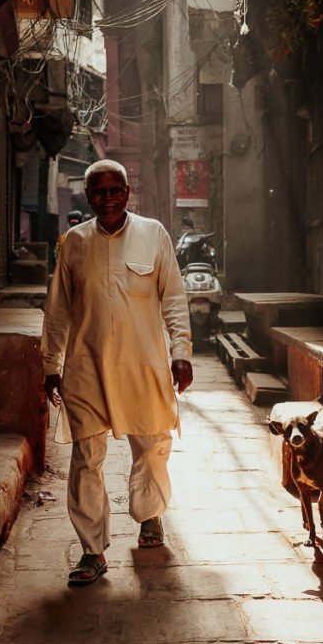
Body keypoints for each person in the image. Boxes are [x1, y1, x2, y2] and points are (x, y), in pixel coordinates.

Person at [41, 159, 193, 586]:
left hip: (143, 364)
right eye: (99, 192)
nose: (108, 200)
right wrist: (51, 364)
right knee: (86, 458)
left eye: (115, 191)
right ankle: (93, 551)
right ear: (88, 196)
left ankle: (149, 515)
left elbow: (174, 298)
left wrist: (181, 351)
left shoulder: (154, 234)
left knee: (152, 445)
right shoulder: (74, 242)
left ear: (128, 193)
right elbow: (57, 309)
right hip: (86, 367)